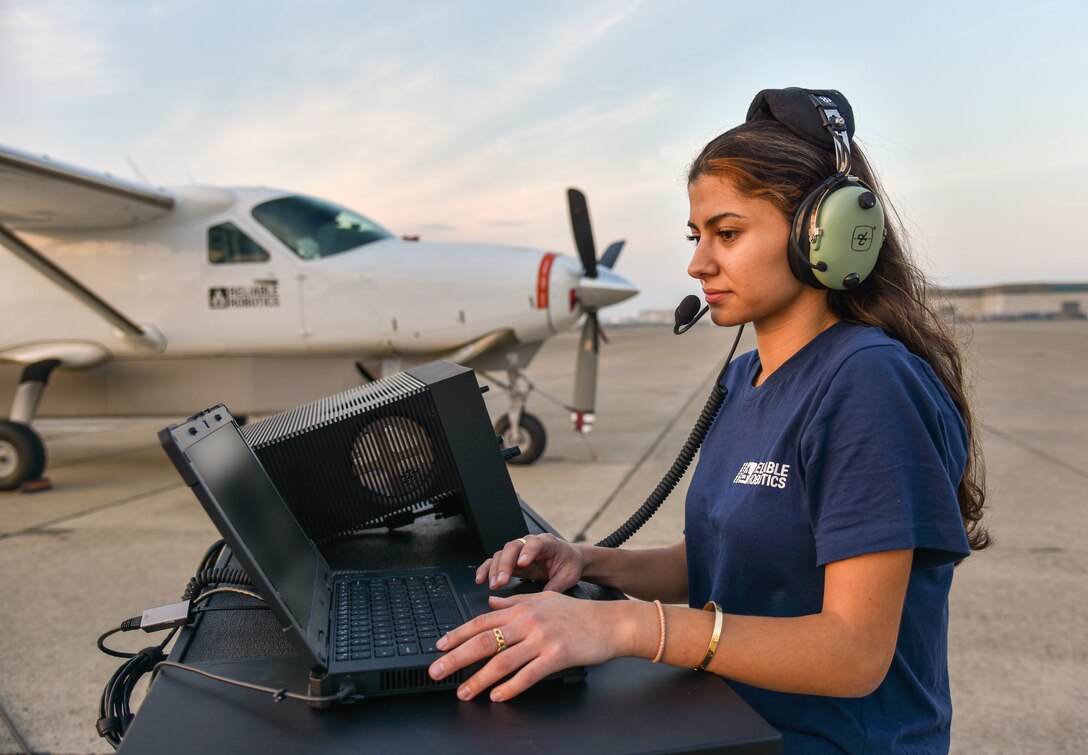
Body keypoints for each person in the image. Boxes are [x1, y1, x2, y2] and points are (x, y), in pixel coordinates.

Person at [428, 87, 990, 753]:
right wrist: (586, 562)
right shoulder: (743, 376)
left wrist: (626, 629)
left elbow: (853, 651)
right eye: (697, 236)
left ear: (826, 234)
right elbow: (729, 562)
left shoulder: (868, 382)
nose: (697, 263)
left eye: (727, 233)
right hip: (726, 720)